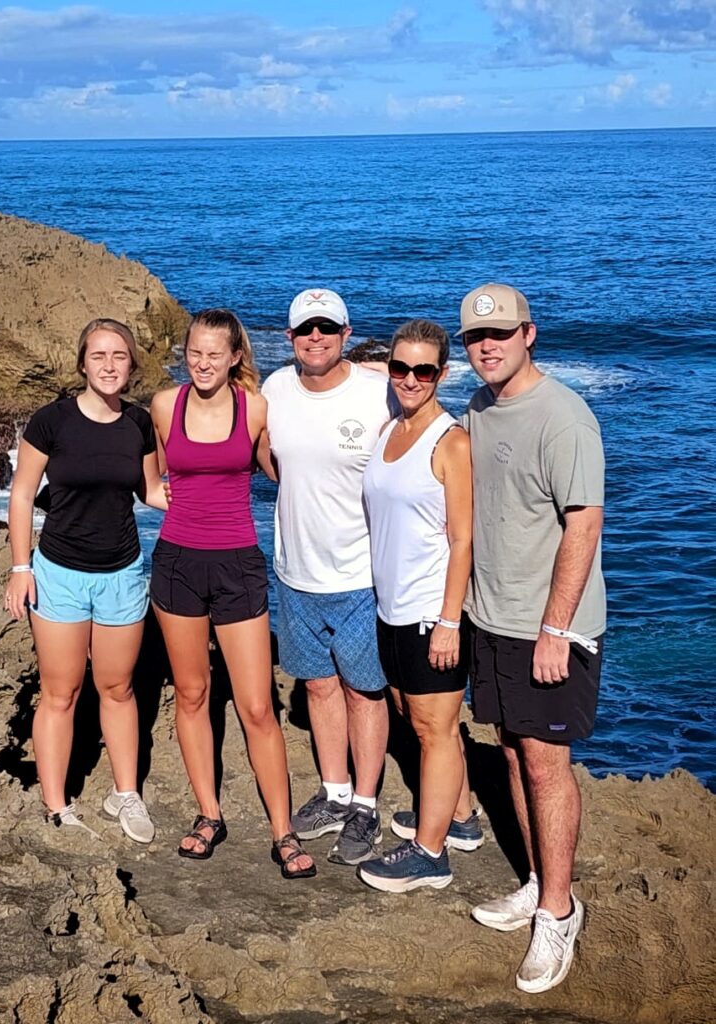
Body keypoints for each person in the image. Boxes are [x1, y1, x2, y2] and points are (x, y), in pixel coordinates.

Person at [459, 283, 605, 994]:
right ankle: (539, 881)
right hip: (491, 616)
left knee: (547, 764)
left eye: (501, 334)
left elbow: (583, 525)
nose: (486, 347)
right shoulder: (481, 408)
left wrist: (556, 630)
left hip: (546, 627)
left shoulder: (565, 418)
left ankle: (559, 911)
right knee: (513, 754)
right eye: (475, 339)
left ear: (529, 334)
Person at [149, 308, 316, 880]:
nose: (202, 363)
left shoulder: (257, 408)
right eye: (194, 352)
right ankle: (209, 815)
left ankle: (283, 832)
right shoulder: (165, 406)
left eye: (214, 354)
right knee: (192, 695)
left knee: (256, 706)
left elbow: (284, 469)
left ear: (235, 357)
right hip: (176, 563)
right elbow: (154, 476)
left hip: (239, 563)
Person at [5, 317, 165, 843]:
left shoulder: (139, 424)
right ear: (82, 364)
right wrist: (20, 568)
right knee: (61, 692)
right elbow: (23, 494)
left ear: (131, 364)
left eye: (119, 356)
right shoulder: (51, 422)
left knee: (117, 688)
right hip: (58, 573)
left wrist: (220, 492)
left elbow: (151, 491)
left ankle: (126, 794)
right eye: (99, 356)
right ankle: (58, 806)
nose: (109, 365)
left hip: (121, 571)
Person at [260, 288, 393, 866]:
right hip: (295, 571)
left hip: (361, 574)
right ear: (290, 338)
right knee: (317, 685)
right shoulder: (275, 388)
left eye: (328, 328)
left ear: (345, 333)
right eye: (305, 330)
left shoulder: (377, 392)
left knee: (365, 691)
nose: (316, 338)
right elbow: (268, 455)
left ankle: (366, 805)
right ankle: (335, 791)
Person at [356, 319, 482, 894]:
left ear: (442, 374)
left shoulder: (450, 442)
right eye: (399, 367)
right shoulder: (390, 430)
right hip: (392, 607)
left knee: (435, 729)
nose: (409, 378)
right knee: (416, 716)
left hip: (433, 612)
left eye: (423, 370)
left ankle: (430, 855)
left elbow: (463, 539)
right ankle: (460, 817)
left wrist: (450, 622)